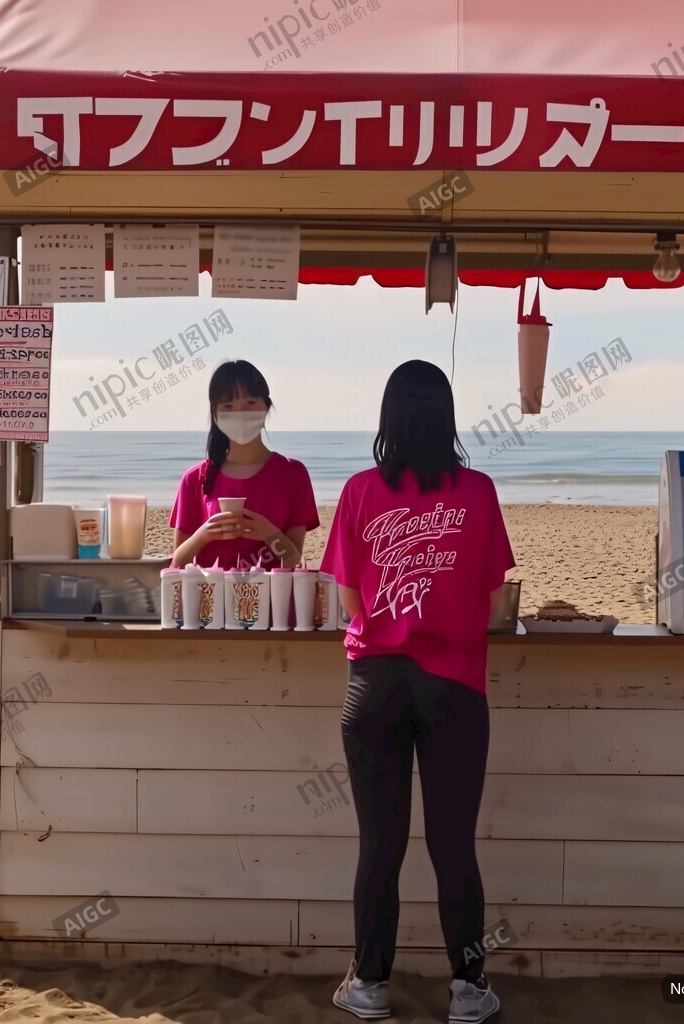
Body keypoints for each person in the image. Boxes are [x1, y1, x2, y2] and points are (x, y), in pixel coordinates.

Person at [320, 360, 515, 1023]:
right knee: (452, 845)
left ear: (388, 419)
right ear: (448, 417)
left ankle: (371, 985)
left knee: (380, 843)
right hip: (454, 685)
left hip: (373, 686)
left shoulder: (357, 491)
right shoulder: (479, 492)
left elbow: (349, 598)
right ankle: (467, 990)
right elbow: (493, 603)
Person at [170, 360, 319, 569]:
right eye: (228, 407)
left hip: (274, 600)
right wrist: (204, 534)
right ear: (215, 413)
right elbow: (177, 563)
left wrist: (268, 533)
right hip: (210, 600)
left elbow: (293, 560)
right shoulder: (195, 479)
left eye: (249, 404)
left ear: (266, 407)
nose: (239, 415)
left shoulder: (293, 474)